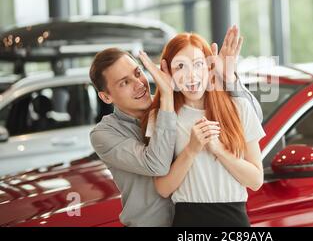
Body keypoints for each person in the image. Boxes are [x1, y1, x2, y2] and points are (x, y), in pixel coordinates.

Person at [89, 26, 262, 227]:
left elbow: (250, 117)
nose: (139, 84)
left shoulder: (166, 108)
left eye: (138, 73)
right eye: (124, 83)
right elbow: (158, 167)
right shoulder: (115, 130)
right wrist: (169, 100)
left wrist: (228, 79)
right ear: (105, 97)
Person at [141, 31, 266, 227]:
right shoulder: (161, 117)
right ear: (168, 72)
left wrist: (219, 150)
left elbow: (256, 180)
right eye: (180, 66)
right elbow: (163, 189)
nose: (191, 75)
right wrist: (191, 149)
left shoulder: (239, 107)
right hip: (188, 221)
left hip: (234, 221)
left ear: (210, 67)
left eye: (198, 64)